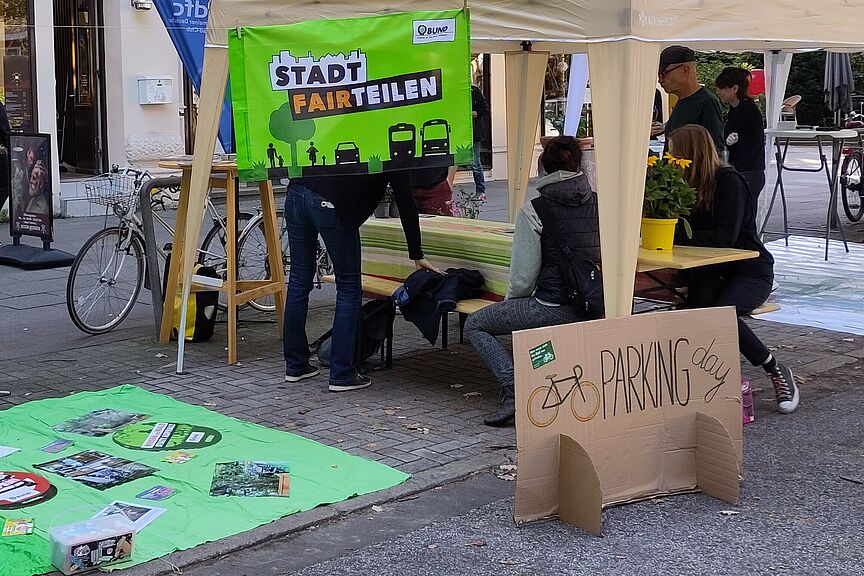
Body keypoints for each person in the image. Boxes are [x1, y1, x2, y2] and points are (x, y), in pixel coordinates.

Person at [465, 136, 600, 427]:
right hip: (595, 302)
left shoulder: (534, 210)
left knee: (475, 324)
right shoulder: (600, 203)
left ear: (544, 169)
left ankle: (514, 388)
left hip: (553, 304)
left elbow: (523, 277)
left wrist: (510, 305)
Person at [669, 124, 799, 414]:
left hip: (750, 269)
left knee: (721, 316)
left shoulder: (729, 182)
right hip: (710, 269)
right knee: (695, 316)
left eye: (674, 152)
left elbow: (725, 238)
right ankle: (702, 383)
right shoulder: (683, 185)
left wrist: (675, 234)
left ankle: (775, 368)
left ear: (690, 154)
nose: (670, 158)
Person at [283, 171, 437, 392]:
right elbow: (405, 201)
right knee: (348, 288)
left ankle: (296, 365)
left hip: (297, 192)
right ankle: (342, 373)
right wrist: (417, 253)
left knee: (298, 280)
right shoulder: (392, 143)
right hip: (332, 204)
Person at [652, 45, 725, 153]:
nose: (660, 81)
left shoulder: (706, 102)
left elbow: (715, 149)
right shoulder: (682, 101)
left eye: (663, 74)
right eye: (658, 76)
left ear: (685, 70)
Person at [715, 67, 766, 203]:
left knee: (744, 217)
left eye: (722, 88)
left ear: (735, 88)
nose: (718, 92)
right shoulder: (734, 109)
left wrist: (734, 141)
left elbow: (752, 142)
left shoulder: (748, 110)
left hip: (748, 171)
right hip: (742, 169)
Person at [471, 85, 489, 199]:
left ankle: (481, 191)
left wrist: (476, 113)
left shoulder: (474, 91)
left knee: (475, 162)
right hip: (461, 131)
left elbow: (485, 109)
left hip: (473, 132)